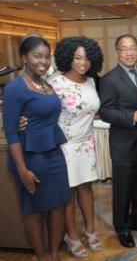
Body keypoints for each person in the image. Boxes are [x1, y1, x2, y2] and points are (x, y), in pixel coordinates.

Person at [2, 36, 70, 261]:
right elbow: (11, 132)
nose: (43, 61)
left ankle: (54, 254)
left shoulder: (45, 83)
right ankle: (42, 257)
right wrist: (22, 171)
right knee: (33, 210)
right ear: (24, 58)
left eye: (46, 56)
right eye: (37, 56)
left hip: (53, 153)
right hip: (29, 157)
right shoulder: (14, 88)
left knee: (59, 206)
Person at [49, 36, 103, 258]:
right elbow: (46, 114)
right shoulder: (55, 83)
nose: (83, 62)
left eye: (87, 58)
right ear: (67, 57)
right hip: (66, 145)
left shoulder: (90, 81)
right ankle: (70, 235)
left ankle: (89, 229)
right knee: (69, 194)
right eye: (77, 57)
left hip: (87, 143)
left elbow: (92, 110)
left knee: (86, 190)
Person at [99, 34, 137, 248]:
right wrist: (132, 117)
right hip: (123, 143)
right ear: (117, 53)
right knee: (123, 187)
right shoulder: (109, 79)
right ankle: (122, 227)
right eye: (125, 49)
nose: (130, 52)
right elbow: (105, 111)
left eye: (133, 48)